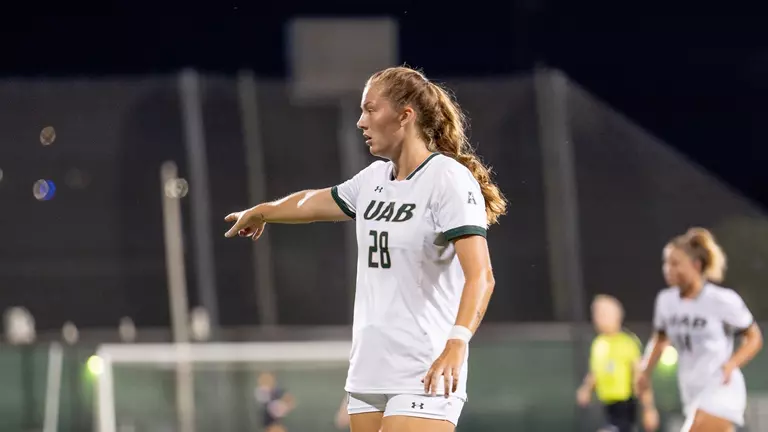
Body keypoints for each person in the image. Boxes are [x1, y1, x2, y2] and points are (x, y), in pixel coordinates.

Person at [225, 65, 506, 432]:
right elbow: (311, 202)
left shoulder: (447, 179)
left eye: (370, 109)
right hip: (369, 372)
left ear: (405, 116)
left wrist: (458, 342)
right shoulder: (374, 179)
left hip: (426, 367)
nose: (361, 121)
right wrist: (262, 212)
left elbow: (481, 277)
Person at [636, 228, 763, 432]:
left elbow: (754, 337)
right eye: (666, 263)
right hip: (692, 391)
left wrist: (731, 364)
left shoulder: (720, 299)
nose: (668, 269)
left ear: (696, 265)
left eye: (675, 263)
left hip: (721, 388)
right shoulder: (665, 301)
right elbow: (660, 340)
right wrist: (645, 371)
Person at [576, 295, 659, 432]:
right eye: (596, 313)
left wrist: (649, 409)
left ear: (617, 316)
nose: (598, 318)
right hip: (606, 407)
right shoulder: (598, 344)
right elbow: (595, 373)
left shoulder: (628, 343)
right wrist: (586, 389)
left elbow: (641, 378)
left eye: (603, 313)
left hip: (625, 407)